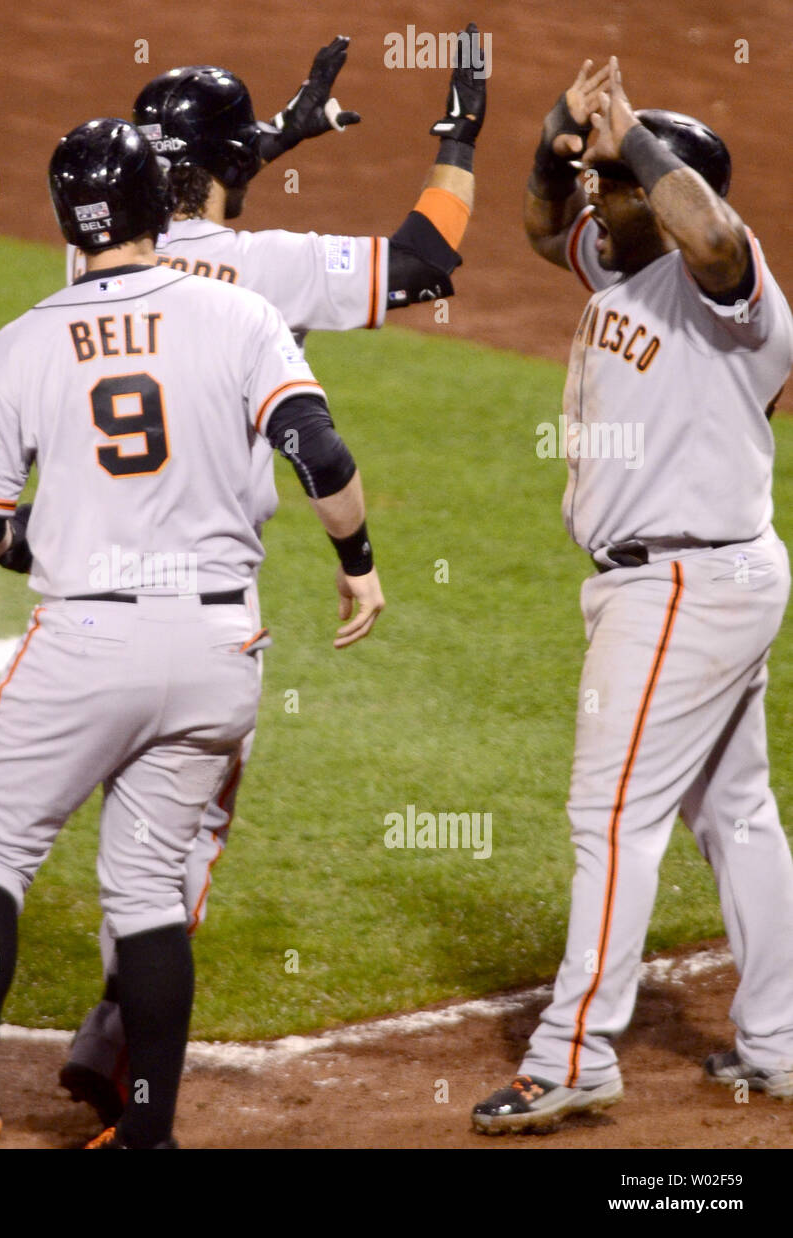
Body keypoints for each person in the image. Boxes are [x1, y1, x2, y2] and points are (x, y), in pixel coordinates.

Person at [0, 117, 384, 1149]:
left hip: (85, 637)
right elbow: (318, 449)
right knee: (145, 885)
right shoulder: (241, 312)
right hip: (219, 649)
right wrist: (356, 565)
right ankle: (147, 1132)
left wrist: (45, 551)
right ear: (157, 204)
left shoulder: (25, 336)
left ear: (66, 221)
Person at [60, 30, 485, 1124]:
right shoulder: (277, 267)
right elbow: (427, 262)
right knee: (178, 837)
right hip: (209, 607)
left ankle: (13, 1052)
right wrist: (459, 140)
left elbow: (193, 206)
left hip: (87, 593)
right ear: (226, 162)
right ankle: (121, 1039)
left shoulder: (87, 258)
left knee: (86, 823)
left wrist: (268, 143)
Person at [472, 57, 793, 1135]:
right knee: (736, 812)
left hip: (683, 584)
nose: (595, 202)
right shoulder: (616, 263)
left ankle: (573, 1051)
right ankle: (783, 1040)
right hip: (693, 579)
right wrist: (555, 137)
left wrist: (634, 148)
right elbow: (534, 223)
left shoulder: (732, 293)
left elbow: (711, 236)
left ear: (662, 194)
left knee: (609, 816)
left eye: (613, 186)